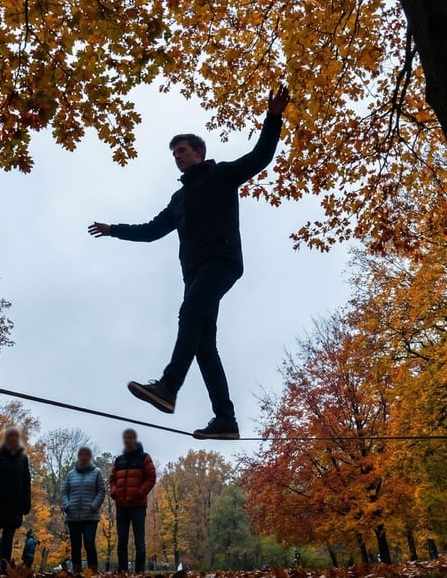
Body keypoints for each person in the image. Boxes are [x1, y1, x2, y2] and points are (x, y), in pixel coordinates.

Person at [88, 85, 291, 439]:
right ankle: (225, 419)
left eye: (182, 150)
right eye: (174, 153)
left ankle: (168, 386)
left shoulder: (221, 175)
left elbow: (259, 157)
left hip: (221, 261)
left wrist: (273, 119)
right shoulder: (179, 199)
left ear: (199, 152)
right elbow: (152, 230)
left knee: (190, 316)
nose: (178, 157)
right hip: (195, 272)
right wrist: (113, 230)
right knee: (203, 343)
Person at [0, 426, 32, 572]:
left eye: (16, 436)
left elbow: (26, 482)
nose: (14, 439)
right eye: (11, 436)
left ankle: (5, 570)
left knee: (8, 540)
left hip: (14, 505)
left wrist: (26, 503)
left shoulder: (23, 459)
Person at [109, 429, 156, 573]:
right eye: (125, 438)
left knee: (139, 542)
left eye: (130, 438)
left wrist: (139, 493)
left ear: (135, 440)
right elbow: (112, 479)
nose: (127, 440)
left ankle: (139, 572)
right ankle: (122, 572)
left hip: (137, 507)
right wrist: (114, 492)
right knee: (121, 542)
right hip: (121, 506)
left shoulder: (144, 457)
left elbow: (151, 477)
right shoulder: (119, 460)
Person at [61, 446, 106, 574]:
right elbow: (64, 491)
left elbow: (102, 491)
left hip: (90, 516)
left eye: (86, 455)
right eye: (81, 455)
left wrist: (94, 506)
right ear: (78, 457)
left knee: (89, 543)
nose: (84, 457)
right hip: (72, 515)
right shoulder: (71, 474)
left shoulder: (97, 472)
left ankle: (93, 571)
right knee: (75, 545)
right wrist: (66, 505)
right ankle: (76, 571)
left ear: (90, 457)